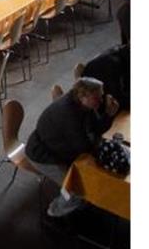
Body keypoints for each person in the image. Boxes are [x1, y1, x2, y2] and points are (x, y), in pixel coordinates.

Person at [24, 77, 118, 217]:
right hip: (42, 155)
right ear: (82, 96)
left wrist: (109, 115)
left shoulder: (84, 105)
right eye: (97, 97)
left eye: (101, 96)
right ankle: (54, 212)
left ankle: (79, 203)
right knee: (76, 188)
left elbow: (95, 129)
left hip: (59, 148)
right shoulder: (68, 113)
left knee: (90, 174)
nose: (101, 100)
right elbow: (82, 147)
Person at [81, 43, 130, 110]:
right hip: (94, 102)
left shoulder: (122, 51)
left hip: (104, 90)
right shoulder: (114, 64)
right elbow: (117, 100)